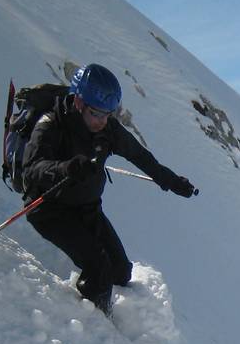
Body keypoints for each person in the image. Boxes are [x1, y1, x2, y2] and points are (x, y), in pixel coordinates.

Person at [22, 63, 196, 315]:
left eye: (108, 114)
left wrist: (171, 181)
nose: (103, 121)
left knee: (120, 272)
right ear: (78, 102)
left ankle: (100, 311)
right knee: (99, 271)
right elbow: (32, 169)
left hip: (87, 208)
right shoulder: (50, 124)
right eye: (97, 114)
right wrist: (65, 168)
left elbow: (140, 155)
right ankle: (96, 329)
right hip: (50, 209)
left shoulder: (106, 128)